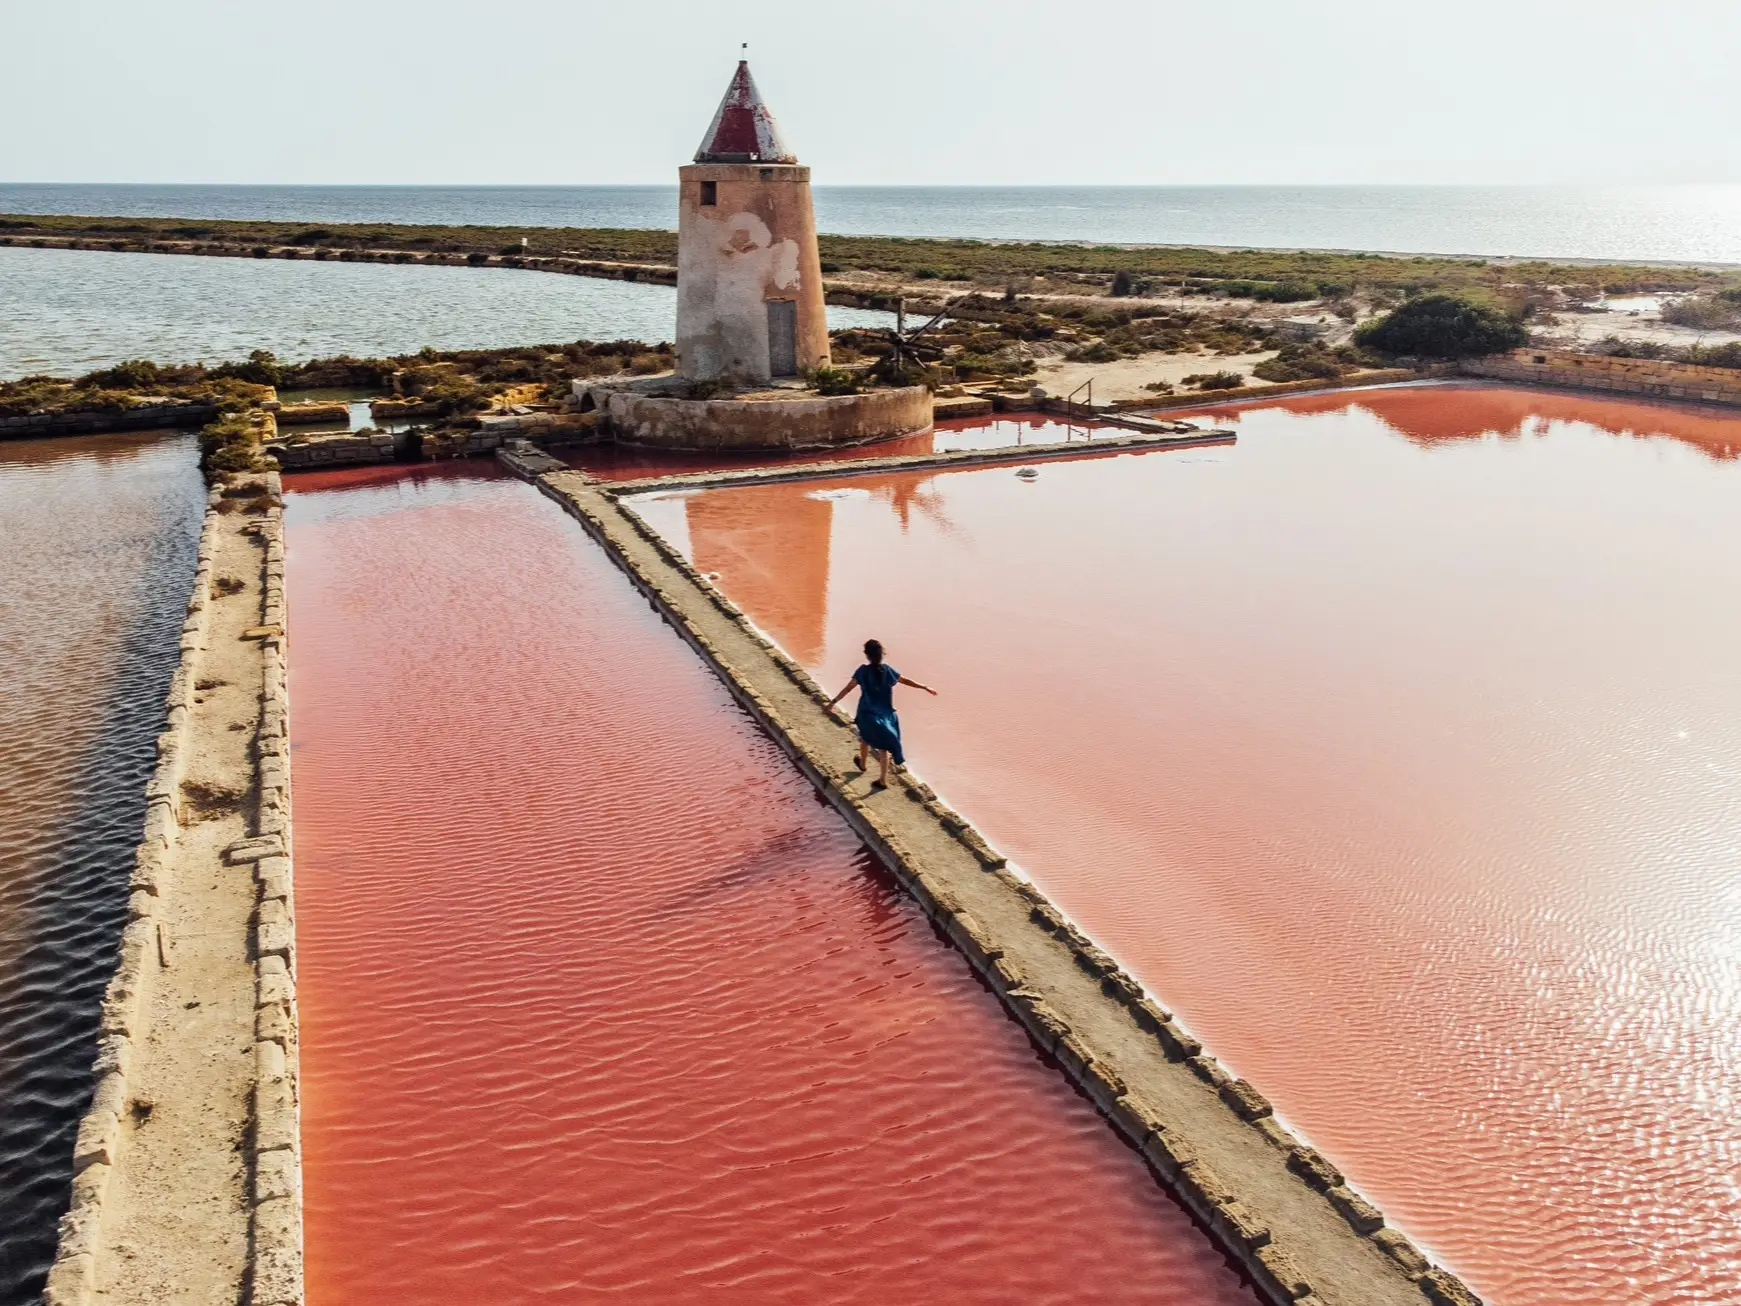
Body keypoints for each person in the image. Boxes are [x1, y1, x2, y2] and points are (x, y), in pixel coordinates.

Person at [826, 639, 937, 790]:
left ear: (867, 655)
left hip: (867, 713)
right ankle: (882, 779)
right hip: (886, 715)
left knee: (865, 736)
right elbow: (905, 680)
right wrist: (924, 687)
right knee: (883, 746)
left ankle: (863, 765)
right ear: (881, 654)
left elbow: (848, 688)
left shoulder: (863, 671)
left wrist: (833, 702)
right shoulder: (887, 670)